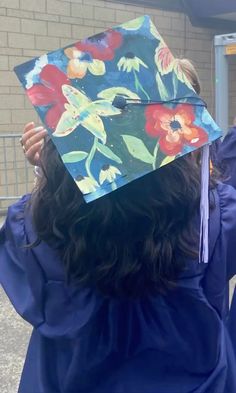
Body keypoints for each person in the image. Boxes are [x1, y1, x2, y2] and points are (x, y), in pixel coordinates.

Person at [1, 59, 236, 393]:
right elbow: (218, 281)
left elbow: (29, 288)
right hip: (190, 377)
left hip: (71, 379)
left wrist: (52, 175)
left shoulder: (36, 222)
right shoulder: (211, 213)